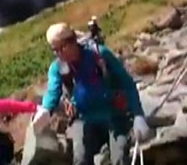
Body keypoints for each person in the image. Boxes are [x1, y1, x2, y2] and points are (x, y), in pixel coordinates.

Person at [31, 22, 151, 165]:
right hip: (84, 119)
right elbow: (53, 91)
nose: (59, 54)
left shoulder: (100, 55)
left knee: (120, 159)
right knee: (80, 160)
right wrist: (46, 109)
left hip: (114, 116)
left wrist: (138, 115)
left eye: (62, 48)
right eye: (55, 50)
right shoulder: (57, 68)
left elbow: (127, 83)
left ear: (73, 42)